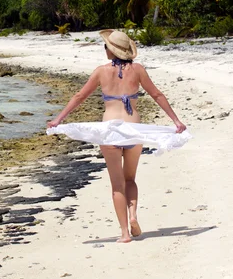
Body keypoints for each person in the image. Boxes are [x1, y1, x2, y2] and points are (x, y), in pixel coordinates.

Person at [47, 29, 189, 243]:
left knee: (117, 185)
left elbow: (80, 96)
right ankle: (133, 215)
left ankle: (124, 233)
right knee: (130, 178)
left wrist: (59, 119)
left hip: (110, 131)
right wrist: (176, 121)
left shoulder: (101, 71)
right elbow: (157, 94)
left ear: (110, 51)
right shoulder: (138, 70)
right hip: (134, 130)